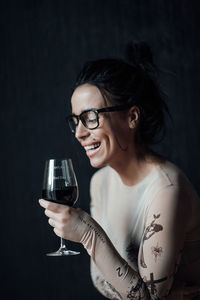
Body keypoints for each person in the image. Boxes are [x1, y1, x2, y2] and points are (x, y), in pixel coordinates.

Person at [39, 42, 200, 300]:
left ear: (132, 117)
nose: (79, 133)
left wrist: (88, 234)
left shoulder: (167, 191)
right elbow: (108, 281)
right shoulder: (100, 182)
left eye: (91, 117)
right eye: (75, 120)